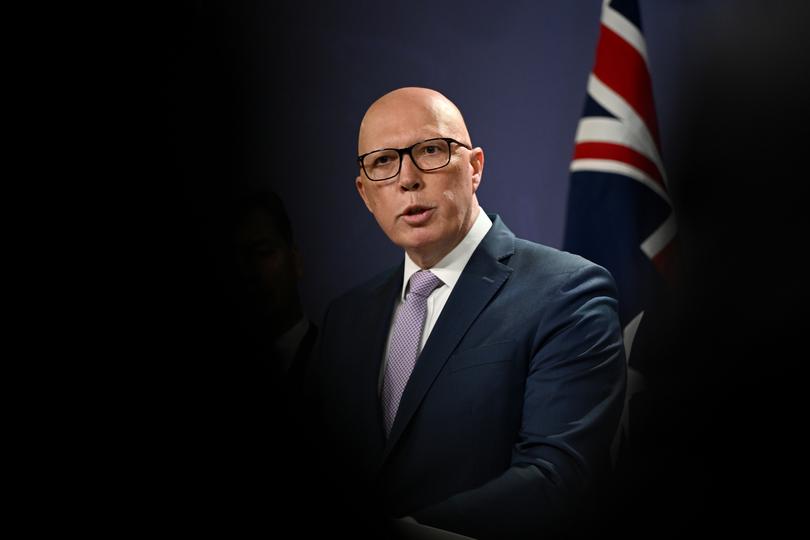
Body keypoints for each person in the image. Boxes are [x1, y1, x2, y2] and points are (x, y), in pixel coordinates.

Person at [310, 87, 626, 539]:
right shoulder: (346, 317)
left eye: (431, 151)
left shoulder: (567, 292)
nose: (408, 179)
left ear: (475, 167)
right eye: (383, 161)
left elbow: (557, 476)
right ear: (365, 193)